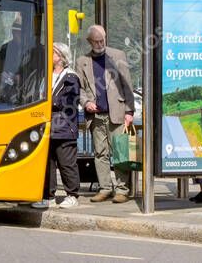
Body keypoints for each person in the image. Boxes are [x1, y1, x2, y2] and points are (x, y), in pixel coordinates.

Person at [76, 24, 135, 204]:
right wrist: (86, 103)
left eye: (102, 40)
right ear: (89, 41)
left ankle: (122, 190)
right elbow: (79, 89)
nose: (100, 43)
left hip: (116, 112)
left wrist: (129, 111)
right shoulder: (82, 61)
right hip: (96, 116)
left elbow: (127, 86)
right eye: (96, 41)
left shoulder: (118, 56)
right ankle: (105, 188)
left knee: (120, 152)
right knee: (100, 153)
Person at [33, 42, 81, 209]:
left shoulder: (71, 77)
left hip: (64, 127)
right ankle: (48, 195)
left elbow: (68, 101)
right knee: (48, 163)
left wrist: (48, 102)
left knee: (66, 162)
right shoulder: (45, 75)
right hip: (48, 125)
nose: (49, 56)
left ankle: (72, 195)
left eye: (52, 53)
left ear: (61, 57)